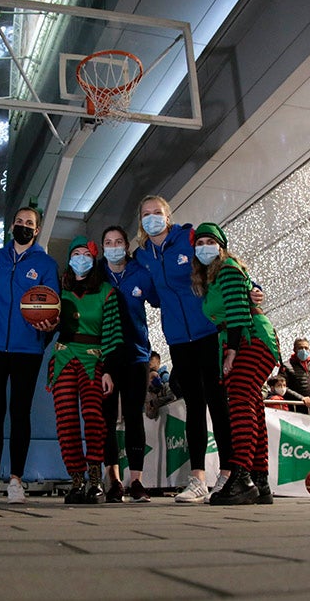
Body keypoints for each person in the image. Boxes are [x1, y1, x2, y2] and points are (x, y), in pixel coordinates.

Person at [132, 196, 231, 503]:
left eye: (157, 213)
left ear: (168, 215)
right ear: (140, 221)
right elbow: (153, 295)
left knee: (217, 401)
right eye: (146, 214)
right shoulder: (142, 255)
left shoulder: (188, 239)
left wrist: (251, 285)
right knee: (194, 406)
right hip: (178, 339)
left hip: (208, 332)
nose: (152, 219)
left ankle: (228, 473)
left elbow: (222, 260)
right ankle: (198, 479)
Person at [0, 206, 60, 504]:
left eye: (29, 223)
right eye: (19, 221)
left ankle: (16, 481)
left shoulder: (46, 263)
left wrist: (47, 327)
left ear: (37, 230)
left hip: (27, 348)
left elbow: (52, 308)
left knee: (20, 412)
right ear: (12, 226)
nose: (23, 226)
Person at [191, 222, 279, 505]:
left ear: (221, 246)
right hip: (245, 338)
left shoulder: (227, 269)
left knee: (240, 400)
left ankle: (240, 476)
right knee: (251, 402)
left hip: (248, 337)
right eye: (200, 242)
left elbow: (239, 311)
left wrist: (232, 350)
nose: (204, 246)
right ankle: (259, 478)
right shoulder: (214, 277)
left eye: (210, 241)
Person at [49, 236, 122, 504]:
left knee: (94, 420)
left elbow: (114, 336)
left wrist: (108, 371)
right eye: (76, 253)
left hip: (95, 360)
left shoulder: (107, 292)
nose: (81, 258)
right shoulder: (58, 291)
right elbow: (49, 327)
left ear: (94, 260)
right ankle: (76, 480)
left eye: (86, 254)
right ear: (69, 259)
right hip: (64, 357)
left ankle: (95, 480)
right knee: (65, 420)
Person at [99, 225, 158, 503]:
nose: (113, 246)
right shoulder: (96, 275)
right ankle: (114, 481)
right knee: (106, 420)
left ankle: (136, 481)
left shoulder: (140, 272)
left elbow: (161, 297)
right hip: (106, 357)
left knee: (134, 416)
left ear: (126, 245)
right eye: (108, 242)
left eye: (118, 241)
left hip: (137, 356)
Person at [281, 338, 310, 414]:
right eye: (300, 348)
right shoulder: (286, 366)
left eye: (306, 348)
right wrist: (301, 398)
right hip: (295, 410)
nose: (303, 350)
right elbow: (282, 387)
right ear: (294, 349)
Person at [145, 350, 177, 419]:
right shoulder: (149, 390)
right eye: (148, 360)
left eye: (151, 359)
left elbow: (171, 396)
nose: (149, 362)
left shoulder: (165, 377)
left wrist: (154, 403)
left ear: (158, 361)